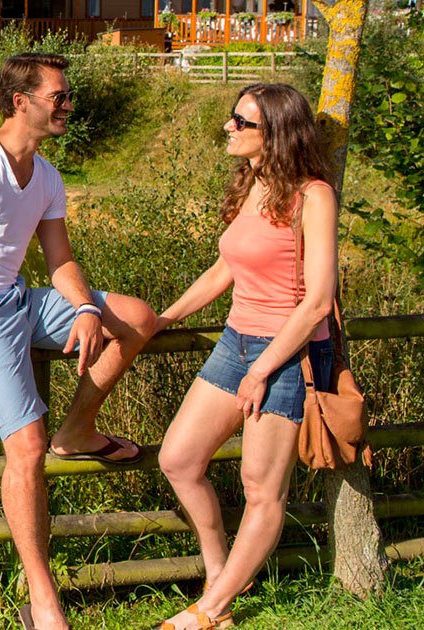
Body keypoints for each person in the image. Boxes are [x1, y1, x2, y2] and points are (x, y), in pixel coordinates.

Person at [0, 52, 159, 630]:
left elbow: (60, 259)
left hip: (21, 298)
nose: (68, 105)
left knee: (139, 318)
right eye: (59, 96)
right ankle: (43, 599)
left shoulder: (47, 176)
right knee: (25, 449)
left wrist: (86, 308)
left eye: (68, 96)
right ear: (21, 102)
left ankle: (77, 432)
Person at [152, 83, 337, 630]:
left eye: (241, 121)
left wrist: (261, 370)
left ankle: (210, 612)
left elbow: (317, 301)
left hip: (289, 354)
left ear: (276, 132)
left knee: (262, 490)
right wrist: (162, 319)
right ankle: (221, 577)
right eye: (233, 118)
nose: (228, 127)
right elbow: (224, 270)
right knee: (179, 459)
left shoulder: (314, 196)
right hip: (235, 342)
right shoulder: (254, 184)